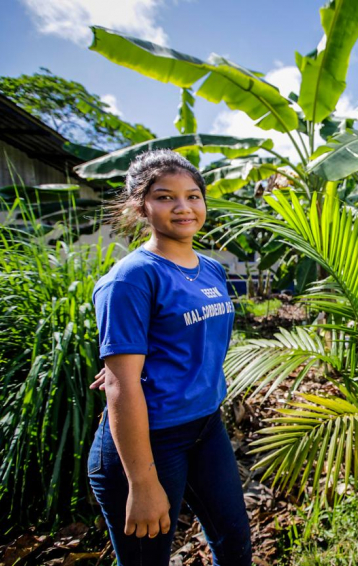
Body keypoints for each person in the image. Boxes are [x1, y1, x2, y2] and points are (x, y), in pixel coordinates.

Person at [87, 150, 252, 565]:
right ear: (140, 205)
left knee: (234, 544)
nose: (183, 207)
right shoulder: (130, 278)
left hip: (205, 428)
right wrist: (141, 484)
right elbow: (123, 387)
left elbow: (188, 337)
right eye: (165, 197)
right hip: (150, 442)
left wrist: (133, 364)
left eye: (193, 196)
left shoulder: (211, 269)